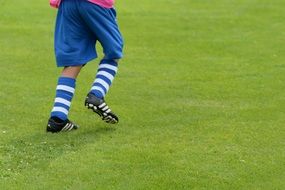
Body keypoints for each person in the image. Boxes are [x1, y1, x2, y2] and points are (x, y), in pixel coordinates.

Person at [46, 0, 123, 133]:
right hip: (95, 3)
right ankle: (96, 95)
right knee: (113, 52)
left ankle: (57, 119)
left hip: (68, 4)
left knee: (74, 61)